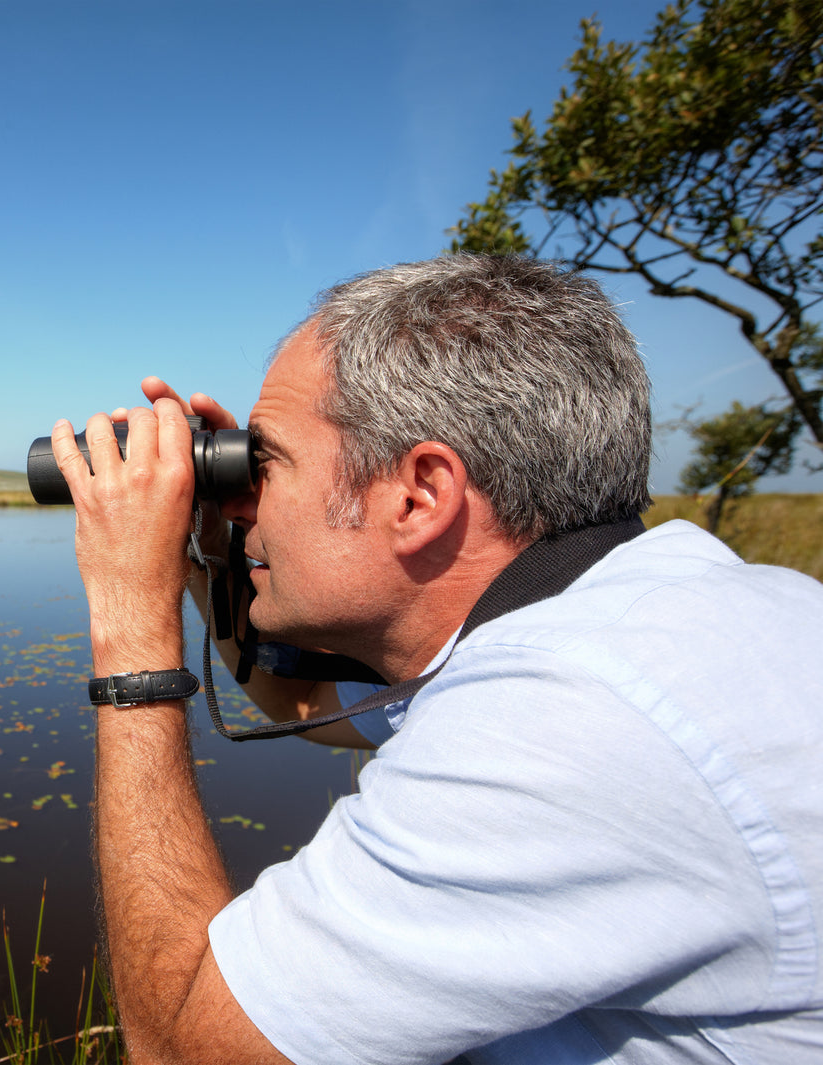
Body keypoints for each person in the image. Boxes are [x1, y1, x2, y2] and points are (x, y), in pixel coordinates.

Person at [47, 255, 823, 1064]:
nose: (242, 498)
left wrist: (130, 609)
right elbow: (306, 704)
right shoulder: (638, 615)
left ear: (420, 494)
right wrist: (208, 557)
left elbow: (182, 1045)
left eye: (264, 462)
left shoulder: (563, 721)